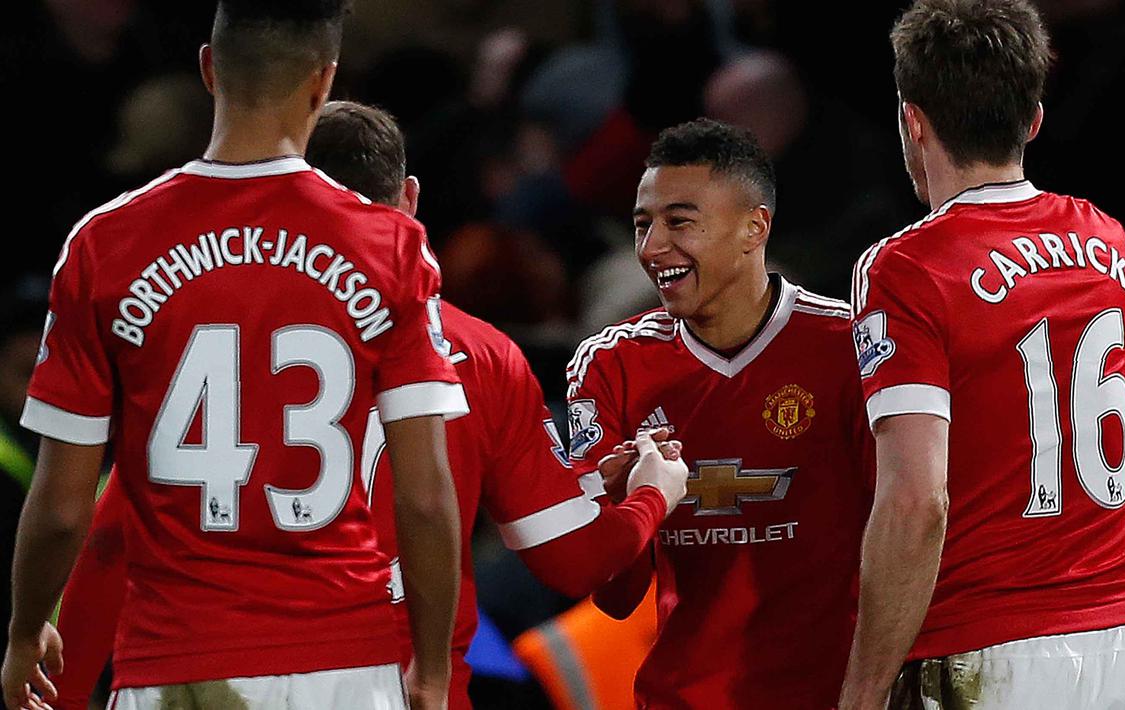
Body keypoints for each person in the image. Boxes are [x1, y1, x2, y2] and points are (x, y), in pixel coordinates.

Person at [49, 100, 690, 710]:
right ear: (408, 198)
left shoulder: (197, 337)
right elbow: (575, 560)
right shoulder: (482, 356)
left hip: (215, 668)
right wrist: (651, 494)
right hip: (398, 681)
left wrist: (65, 691)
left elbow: (110, 542)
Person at [2, 3, 469, 709]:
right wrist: (430, 675)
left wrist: (26, 630)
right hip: (341, 663)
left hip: (177, 661)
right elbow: (427, 496)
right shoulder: (391, 247)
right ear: (324, 82)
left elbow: (65, 508)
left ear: (208, 70)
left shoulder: (104, 244)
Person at [840, 1, 1125, 708]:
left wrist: (863, 689)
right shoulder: (1106, 241)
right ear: (1032, 120)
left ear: (913, 121)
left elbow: (915, 499)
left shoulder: (905, 267)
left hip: (991, 648)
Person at [568, 117, 875, 708]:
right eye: (642, 225)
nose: (653, 247)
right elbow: (612, 595)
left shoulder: (849, 349)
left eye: (679, 222)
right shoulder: (611, 367)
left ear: (753, 228)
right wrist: (612, 502)